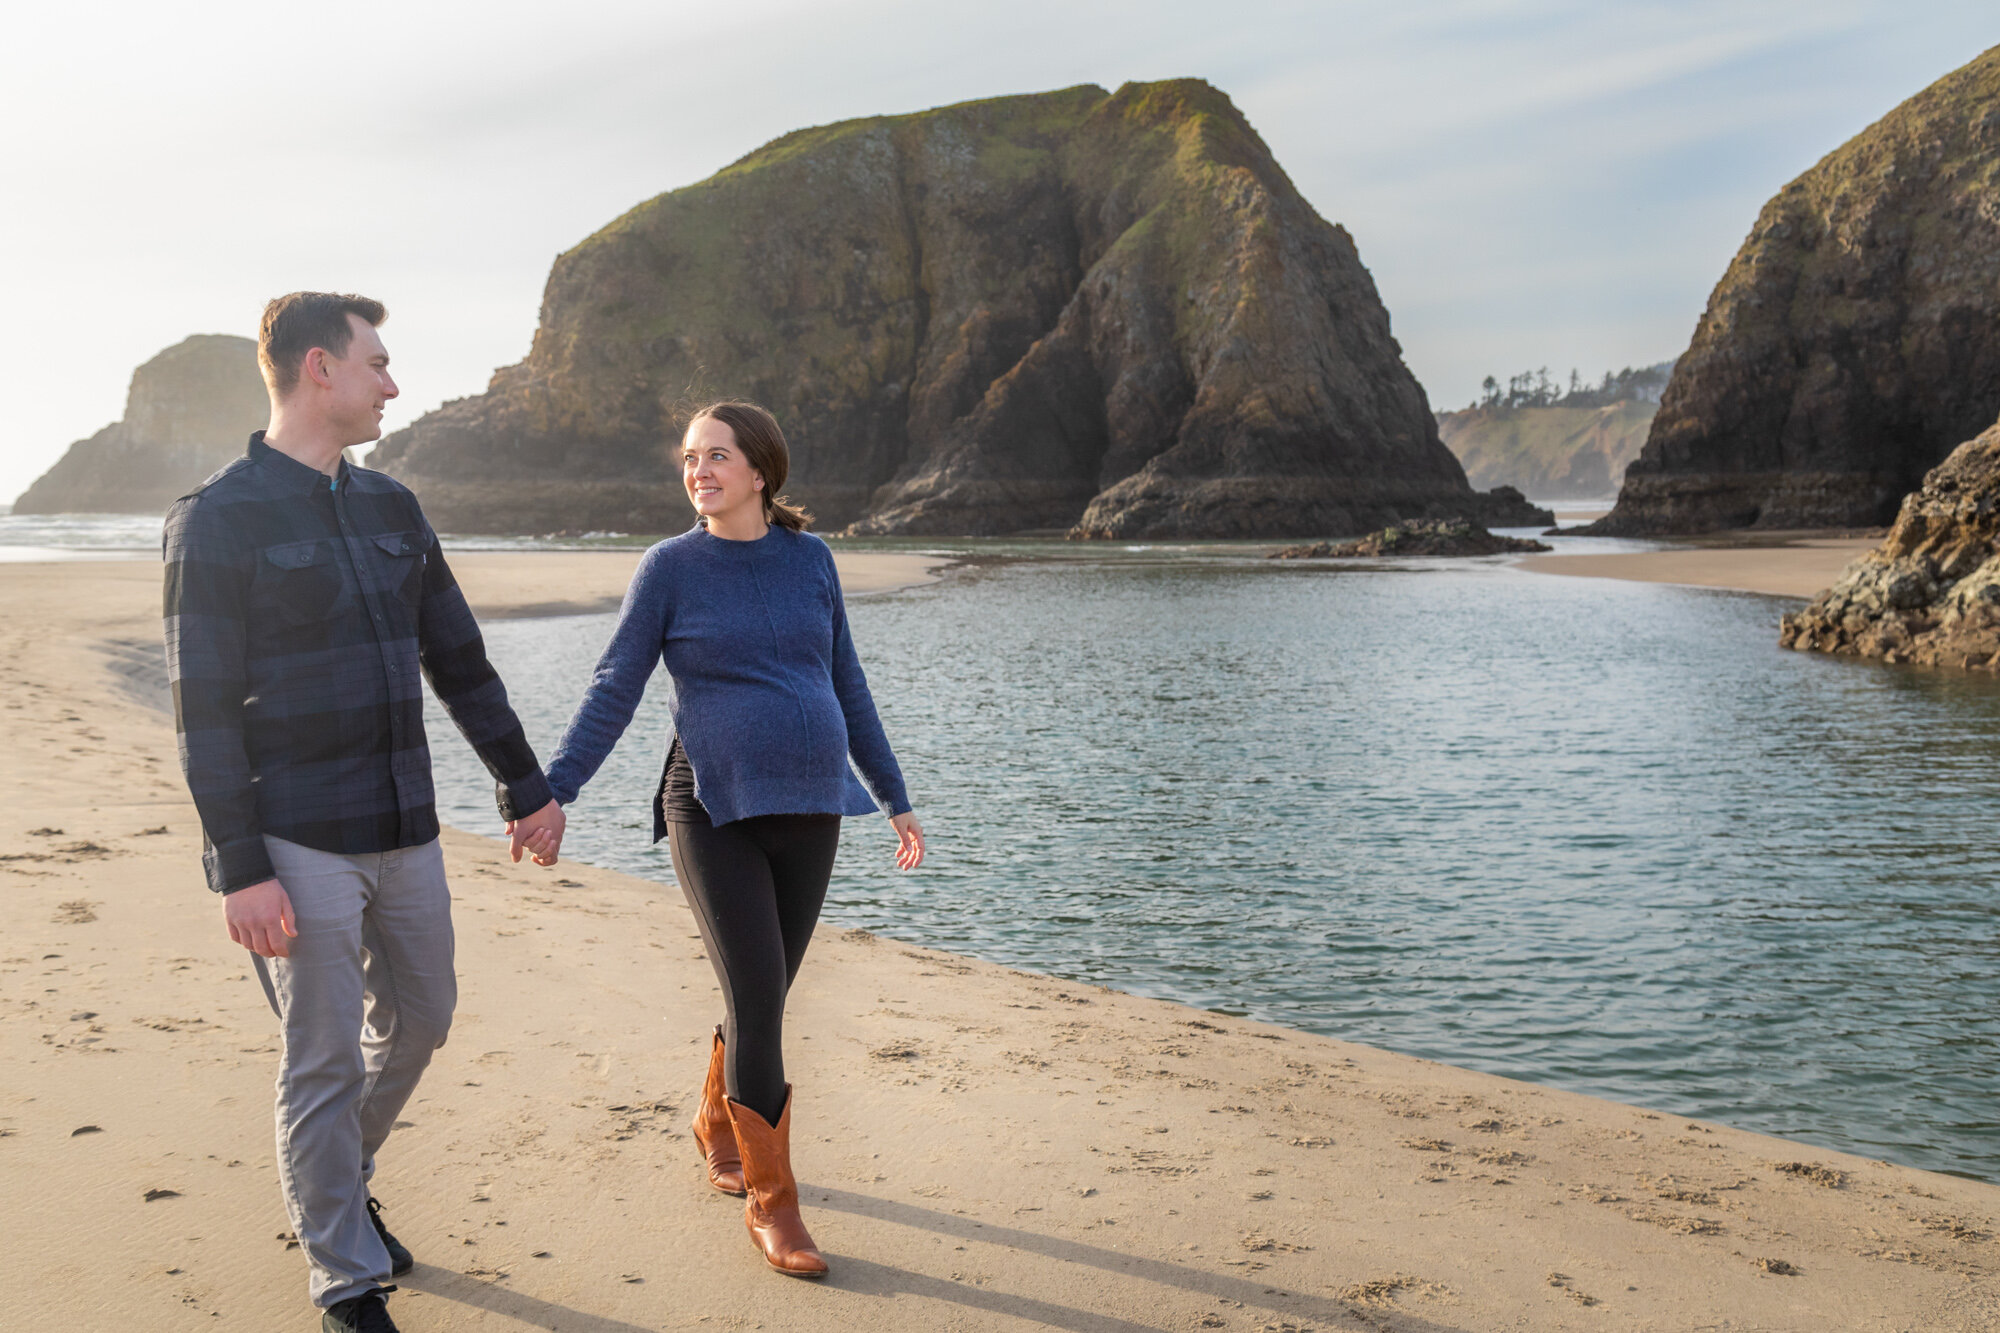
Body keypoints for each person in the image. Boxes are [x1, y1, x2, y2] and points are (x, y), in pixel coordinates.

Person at [162, 292, 567, 1333]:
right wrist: (238, 865)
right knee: (324, 1056)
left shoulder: (393, 507)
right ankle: (344, 1277)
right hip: (295, 839)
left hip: (406, 827)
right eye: (377, 363)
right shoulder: (216, 518)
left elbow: (459, 660)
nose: (393, 383)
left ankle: (333, 1177)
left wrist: (525, 785)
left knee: (424, 1017)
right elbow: (203, 713)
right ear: (318, 369)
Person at [537, 400, 923, 1278]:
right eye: (688, 457)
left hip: (812, 804)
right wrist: (555, 789)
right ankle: (774, 1203)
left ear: (760, 471)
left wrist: (892, 794)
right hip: (710, 806)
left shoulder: (811, 559)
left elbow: (847, 682)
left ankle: (717, 1119)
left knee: (769, 991)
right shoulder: (670, 566)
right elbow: (615, 684)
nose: (698, 471)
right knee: (757, 995)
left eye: (717, 456)